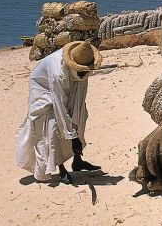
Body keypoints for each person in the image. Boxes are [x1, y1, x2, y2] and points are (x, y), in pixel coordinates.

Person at [16, 41, 102, 183]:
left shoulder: (82, 66)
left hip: (65, 85)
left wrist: (75, 132)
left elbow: (79, 100)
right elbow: (60, 108)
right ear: (73, 65)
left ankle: (77, 161)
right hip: (44, 90)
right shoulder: (58, 73)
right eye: (82, 71)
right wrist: (73, 138)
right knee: (53, 125)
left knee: (80, 114)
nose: (86, 73)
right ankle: (61, 168)